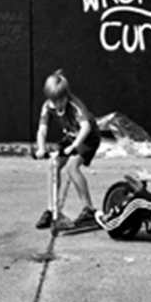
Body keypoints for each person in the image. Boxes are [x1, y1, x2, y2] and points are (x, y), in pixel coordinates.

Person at [33, 69, 101, 230]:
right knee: (53, 164)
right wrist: (41, 148)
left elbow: (86, 127)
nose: (57, 104)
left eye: (60, 100)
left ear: (67, 96)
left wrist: (74, 146)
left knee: (72, 167)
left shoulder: (74, 105)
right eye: (54, 100)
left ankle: (88, 209)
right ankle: (52, 210)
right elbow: (42, 130)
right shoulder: (47, 106)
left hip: (88, 138)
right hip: (71, 136)